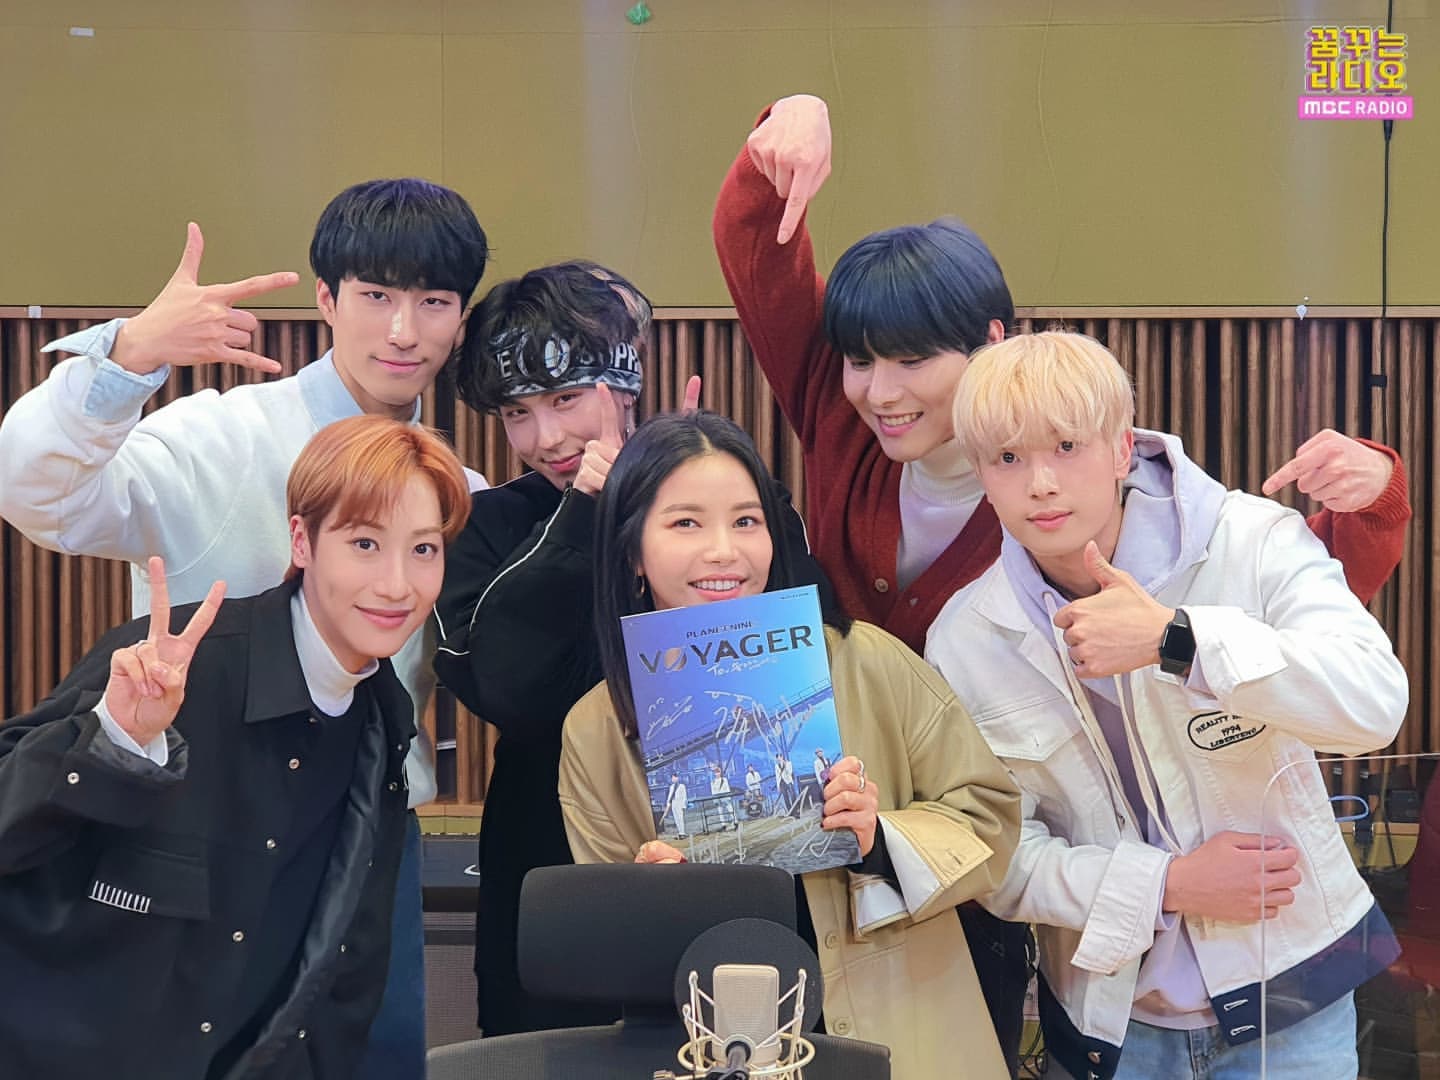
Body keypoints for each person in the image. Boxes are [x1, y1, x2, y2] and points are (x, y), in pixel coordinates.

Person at [712, 91, 1413, 1072]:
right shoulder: (875, 465)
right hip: (855, 825)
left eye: (912, 359)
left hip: (1121, 908)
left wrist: (1365, 508)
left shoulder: (1163, 519)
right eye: (862, 361)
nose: (880, 388)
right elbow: (762, 260)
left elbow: (1308, 623)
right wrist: (781, 135)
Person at [0, 177, 489, 1077]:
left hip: (366, 831)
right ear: (326, 299)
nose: (402, 330)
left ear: (461, 320)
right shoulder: (222, 439)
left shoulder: (456, 489)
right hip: (189, 833)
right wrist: (126, 356)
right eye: (375, 296)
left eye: (433, 302)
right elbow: (36, 492)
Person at [926, 332, 1409, 1080]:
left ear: (1123, 448)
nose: (1041, 484)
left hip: (1291, 992)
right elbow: (995, 855)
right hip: (1110, 1018)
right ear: (981, 475)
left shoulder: (1252, 540)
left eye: (1066, 446)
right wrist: (1167, 884)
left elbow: (1374, 703)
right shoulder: (965, 636)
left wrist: (1176, 640)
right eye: (1008, 458)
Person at [557, 410, 1022, 1079]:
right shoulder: (596, 728)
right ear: (632, 550)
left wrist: (882, 837)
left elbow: (993, 820)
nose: (724, 551)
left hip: (906, 1038)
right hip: (718, 1050)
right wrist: (654, 900)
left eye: (746, 521)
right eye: (686, 523)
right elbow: (607, 947)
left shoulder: (867, 660)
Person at [433, 260, 829, 1036]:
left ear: (625, 383)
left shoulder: (738, 508)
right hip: (547, 855)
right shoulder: (489, 526)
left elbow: (808, 650)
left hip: (741, 848)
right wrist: (587, 512)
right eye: (517, 413)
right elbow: (507, 692)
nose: (545, 437)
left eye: (565, 399)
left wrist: (684, 501)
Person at [663, 771, 690, 838]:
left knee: (680, 818)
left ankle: (683, 833)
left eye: (674, 777)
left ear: (677, 778)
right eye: (672, 778)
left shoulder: (682, 786)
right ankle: (680, 832)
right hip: (673, 803)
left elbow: (684, 796)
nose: (673, 779)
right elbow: (670, 796)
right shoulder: (671, 787)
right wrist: (668, 803)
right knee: (676, 819)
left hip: (679, 803)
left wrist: (683, 805)